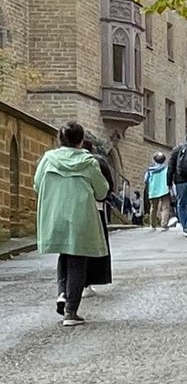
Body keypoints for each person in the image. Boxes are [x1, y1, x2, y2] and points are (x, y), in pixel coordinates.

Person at [33, 122, 109, 326]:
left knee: (64, 255)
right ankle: (71, 312)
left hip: (54, 215)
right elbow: (102, 191)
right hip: (80, 217)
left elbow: (37, 184)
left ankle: (62, 293)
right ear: (81, 140)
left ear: (60, 139)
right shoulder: (88, 161)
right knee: (78, 261)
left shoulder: (48, 159)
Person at [80, 138, 115, 294]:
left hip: (71, 208)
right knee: (95, 246)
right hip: (96, 207)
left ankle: (69, 287)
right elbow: (108, 186)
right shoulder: (97, 161)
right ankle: (88, 283)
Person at [144, 152, 171, 229]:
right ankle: (164, 223)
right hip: (164, 189)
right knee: (165, 207)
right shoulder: (166, 169)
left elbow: (145, 180)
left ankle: (152, 225)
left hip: (153, 189)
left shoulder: (150, 170)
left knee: (153, 207)